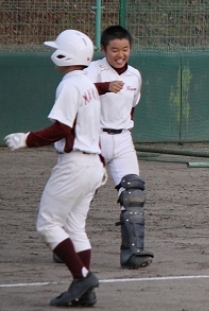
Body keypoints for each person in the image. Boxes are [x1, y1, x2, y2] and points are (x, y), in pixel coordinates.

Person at [4, 29, 105, 306]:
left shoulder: (71, 84)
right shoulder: (86, 83)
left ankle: (83, 278)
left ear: (64, 55)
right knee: (75, 227)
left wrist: (28, 139)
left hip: (75, 165)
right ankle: (85, 290)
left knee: (47, 223)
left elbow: (62, 128)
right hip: (93, 164)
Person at [84, 25, 154, 270]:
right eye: (114, 49)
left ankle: (133, 253)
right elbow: (78, 94)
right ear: (103, 49)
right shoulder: (93, 70)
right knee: (83, 193)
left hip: (123, 138)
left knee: (133, 194)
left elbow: (131, 107)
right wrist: (104, 87)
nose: (120, 54)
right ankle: (65, 243)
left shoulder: (134, 75)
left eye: (125, 49)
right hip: (94, 138)